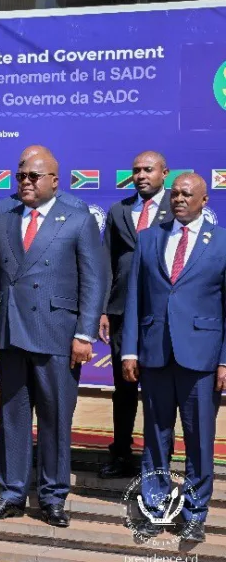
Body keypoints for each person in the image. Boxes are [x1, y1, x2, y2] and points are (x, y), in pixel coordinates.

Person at [0, 149, 105, 528]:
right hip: (12, 333)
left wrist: (84, 333)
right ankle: (12, 492)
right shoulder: (4, 216)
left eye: (34, 176)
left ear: (54, 180)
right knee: (13, 418)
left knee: (55, 419)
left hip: (57, 335)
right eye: (21, 177)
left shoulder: (78, 219)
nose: (26, 183)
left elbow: (93, 281)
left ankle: (52, 496)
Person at [121, 173, 226, 544]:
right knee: (155, 437)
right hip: (155, 355)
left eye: (187, 194)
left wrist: (224, 360)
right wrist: (130, 350)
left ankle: (195, 514)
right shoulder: (149, 238)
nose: (179, 199)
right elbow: (135, 298)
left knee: (199, 440)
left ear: (204, 200)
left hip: (202, 357)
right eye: (175, 193)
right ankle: (156, 508)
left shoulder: (222, 242)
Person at [97, 151, 170, 480]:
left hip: (160, 314)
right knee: (123, 389)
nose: (141, 175)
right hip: (122, 312)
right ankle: (121, 453)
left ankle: (158, 459)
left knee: (159, 391)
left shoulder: (177, 208)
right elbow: (107, 263)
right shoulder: (119, 210)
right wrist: (103, 309)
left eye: (148, 170)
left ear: (164, 173)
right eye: (137, 170)